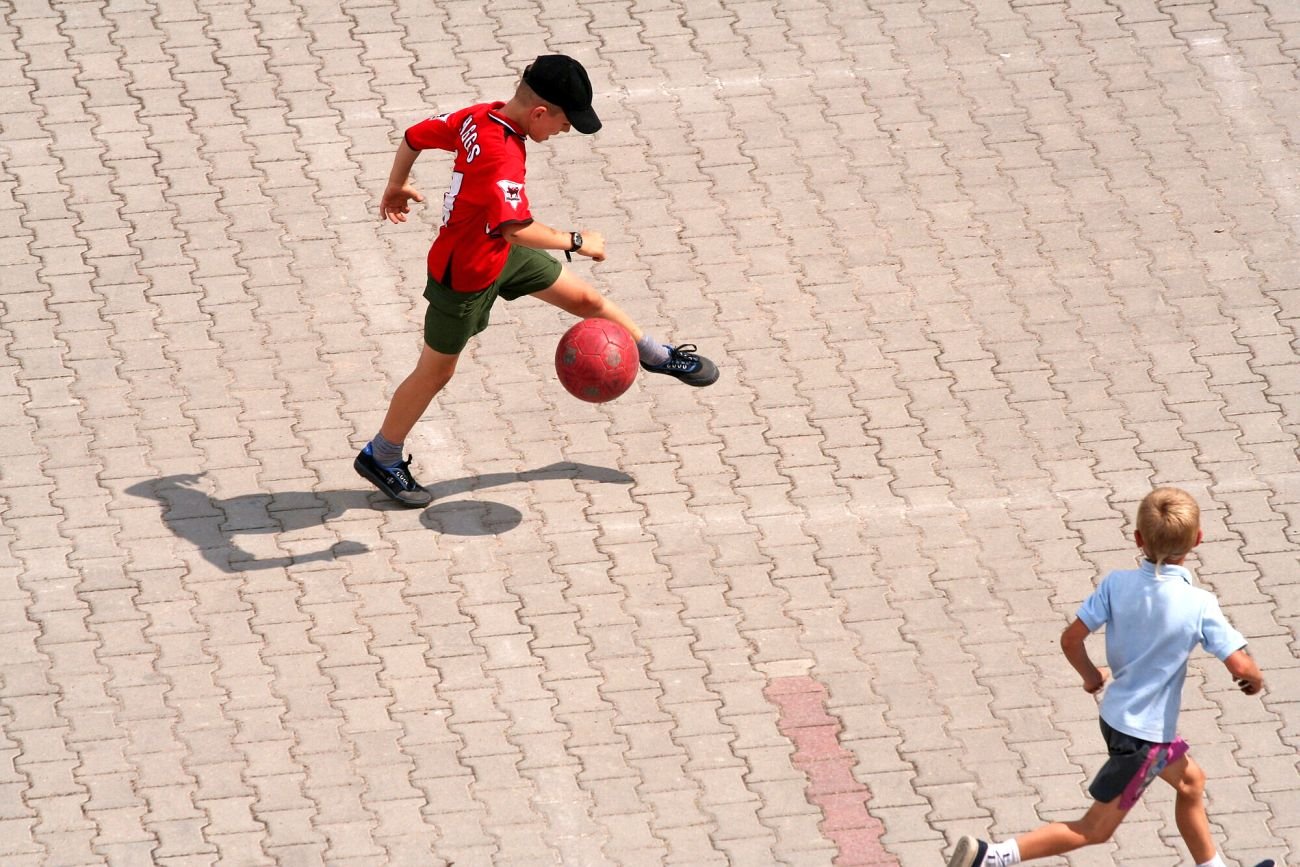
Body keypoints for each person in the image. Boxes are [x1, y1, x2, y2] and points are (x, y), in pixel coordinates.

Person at [354, 54, 718, 506]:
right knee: (435, 373)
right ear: (541, 113)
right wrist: (578, 240)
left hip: (496, 253)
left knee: (585, 298)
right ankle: (381, 455)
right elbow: (516, 227)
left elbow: (413, 137)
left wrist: (396, 184)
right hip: (463, 276)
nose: (564, 133)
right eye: (565, 123)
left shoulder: (479, 115)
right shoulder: (502, 155)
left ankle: (654, 355)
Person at [948, 487, 1270, 867]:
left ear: (1138, 538)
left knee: (1190, 782)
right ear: (1198, 540)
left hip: (1118, 717)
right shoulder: (1199, 604)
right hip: (1144, 737)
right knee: (1094, 830)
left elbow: (1071, 640)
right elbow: (1241, 666)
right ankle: (991, 857)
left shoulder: (1117, 584)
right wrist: (1256, 680)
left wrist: (1091, 676)